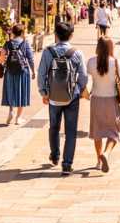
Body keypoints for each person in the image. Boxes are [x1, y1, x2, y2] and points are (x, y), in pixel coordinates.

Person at [37, 21, 88, 175]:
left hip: (53, 96)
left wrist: (44, 92)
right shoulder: (77, 53)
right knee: (71, 130)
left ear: (55, 35)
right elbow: (83, 76)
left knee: (54, 126)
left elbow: (41, 74)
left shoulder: (48, 52)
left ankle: (55, 155)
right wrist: (80, 89)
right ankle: (67, 164)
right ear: (71, 35)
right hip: (72, 96)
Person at [85, 36, 120, 173]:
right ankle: (106, 154)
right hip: (111, 100)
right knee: (114, 132)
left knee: (97, 131)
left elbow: (86, 79)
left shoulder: (91, 62)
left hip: (96, 100)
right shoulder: (115, 62)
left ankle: (98, 160)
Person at [0, 24, 34, 125]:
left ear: (13, 32)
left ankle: (11, 111)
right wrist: (33, 71)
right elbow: (30, 58)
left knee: (11, 90)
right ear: (22, 32)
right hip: (23, 71)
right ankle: (18, 118)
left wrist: (3, 64)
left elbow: (2, 56)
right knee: (22, 92)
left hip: (10, 71)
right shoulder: (25, 43)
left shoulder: (8, 43)